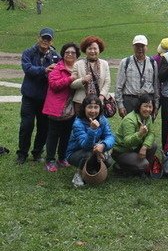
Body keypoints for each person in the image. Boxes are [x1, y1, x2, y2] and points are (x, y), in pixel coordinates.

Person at [16, 28, 60, 164]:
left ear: (52, 40)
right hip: (29, 97)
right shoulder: (28, 53)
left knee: (43, 127)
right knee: (26, 125)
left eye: (48, 39)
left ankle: (37, 153)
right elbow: (27, 69)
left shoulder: (55, 56)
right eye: (43, 38)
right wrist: (44, 70)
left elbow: (59, 71)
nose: (45, 41)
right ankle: (22, 154)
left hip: (46, 98)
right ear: (38, 38)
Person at [42, 42, 80, 172]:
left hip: (71, 107)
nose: (70, 54)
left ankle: (62, 158)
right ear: (63, 54)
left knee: (66, 134)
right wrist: (70, 79)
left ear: (77, 55)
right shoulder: (57, 68)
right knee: (53, 134)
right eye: (67, 52)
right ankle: (50, 160)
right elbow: (54, 85)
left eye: (73, 52)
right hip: (56, 107)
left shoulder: (78, 68)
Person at [66, 95, 115, 187]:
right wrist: (92, 130)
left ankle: (91, 170)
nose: (93, 111)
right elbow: (85, 145)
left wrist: (103, 145)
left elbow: (110, 137)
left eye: (96, 107)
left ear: (100, 108)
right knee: (88, 154)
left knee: (108, 160)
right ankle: (79, 175)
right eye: (90, 107)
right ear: (84, 108)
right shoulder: (78, 123)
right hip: (75, 153)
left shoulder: (102, 119)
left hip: (94, 148)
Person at [112, 94, 160, 176]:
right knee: (144, 164)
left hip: (135, 147)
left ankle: (142, 169)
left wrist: (144, 146)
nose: (148, 109)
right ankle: (119, 166)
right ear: (139, 106)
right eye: (145, 106)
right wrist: (140, 134)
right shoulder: (129, 119)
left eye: (150, 107)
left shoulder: (148, 117)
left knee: (153, 145)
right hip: (122, 151)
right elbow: (127, 142)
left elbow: (151, 133)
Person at [115, 35, 159, 118]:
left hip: (147, 101)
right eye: (137, 46)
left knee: (145, 128)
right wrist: (120, 105)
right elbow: (118, 86)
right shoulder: (125, 62)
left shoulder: (153, 63)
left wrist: (156, 105)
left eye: (142, 46)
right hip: (130, 101)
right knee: (130, 127)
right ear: (133, 47)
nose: (140, 48)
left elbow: (156, 85)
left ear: (146, 47)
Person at [71, 36, 110, 114]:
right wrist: (82, 80)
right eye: (90, 48)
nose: (92, 51)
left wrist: (101, 97)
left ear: (99, 50)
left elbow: (107, 82)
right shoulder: (78, 64)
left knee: (98, 125)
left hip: (99, 102)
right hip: (81, 102)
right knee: (81, 125)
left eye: (95, 48)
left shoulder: (104, 64)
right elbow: (72, 84)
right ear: (85, 50)